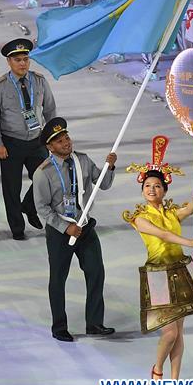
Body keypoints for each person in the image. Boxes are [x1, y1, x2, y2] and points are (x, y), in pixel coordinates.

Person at [122, 137, 193, 385]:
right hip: (158, 276)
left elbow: (184, 212)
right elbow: (163, 236)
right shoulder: (139, 218)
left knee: (180, 333)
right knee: (170, 331)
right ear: (142, 189)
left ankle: (174, 383)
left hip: (180, 272)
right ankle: (157, 369)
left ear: (164, 190)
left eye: (157, 186)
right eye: (147, 186)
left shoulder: (171, 212)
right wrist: (189, 242)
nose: (152, 189)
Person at [32, 117, 118, 343]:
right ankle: (59, 326)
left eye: (67, 137)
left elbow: (103, 184)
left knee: (96, 271)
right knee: (58, 279)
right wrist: (65, 227)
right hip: (60, 232)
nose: (66, 143)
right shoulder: (44, 173)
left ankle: (94, 323)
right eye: (59, 141)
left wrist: (110, 167)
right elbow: (42, 208)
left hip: (85, 227)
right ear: (50, 147)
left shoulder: (83, 161)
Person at [0, 38, 56, 240]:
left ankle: (29, 205)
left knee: (47, 180)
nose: (22, 63)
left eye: (26, 59)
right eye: (17, 60)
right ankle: (17, 228)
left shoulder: (40, 81)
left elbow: (50, 110)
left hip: (37, 141)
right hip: (11, 143)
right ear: (9, 62)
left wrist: (53, 139)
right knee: (11, 188)